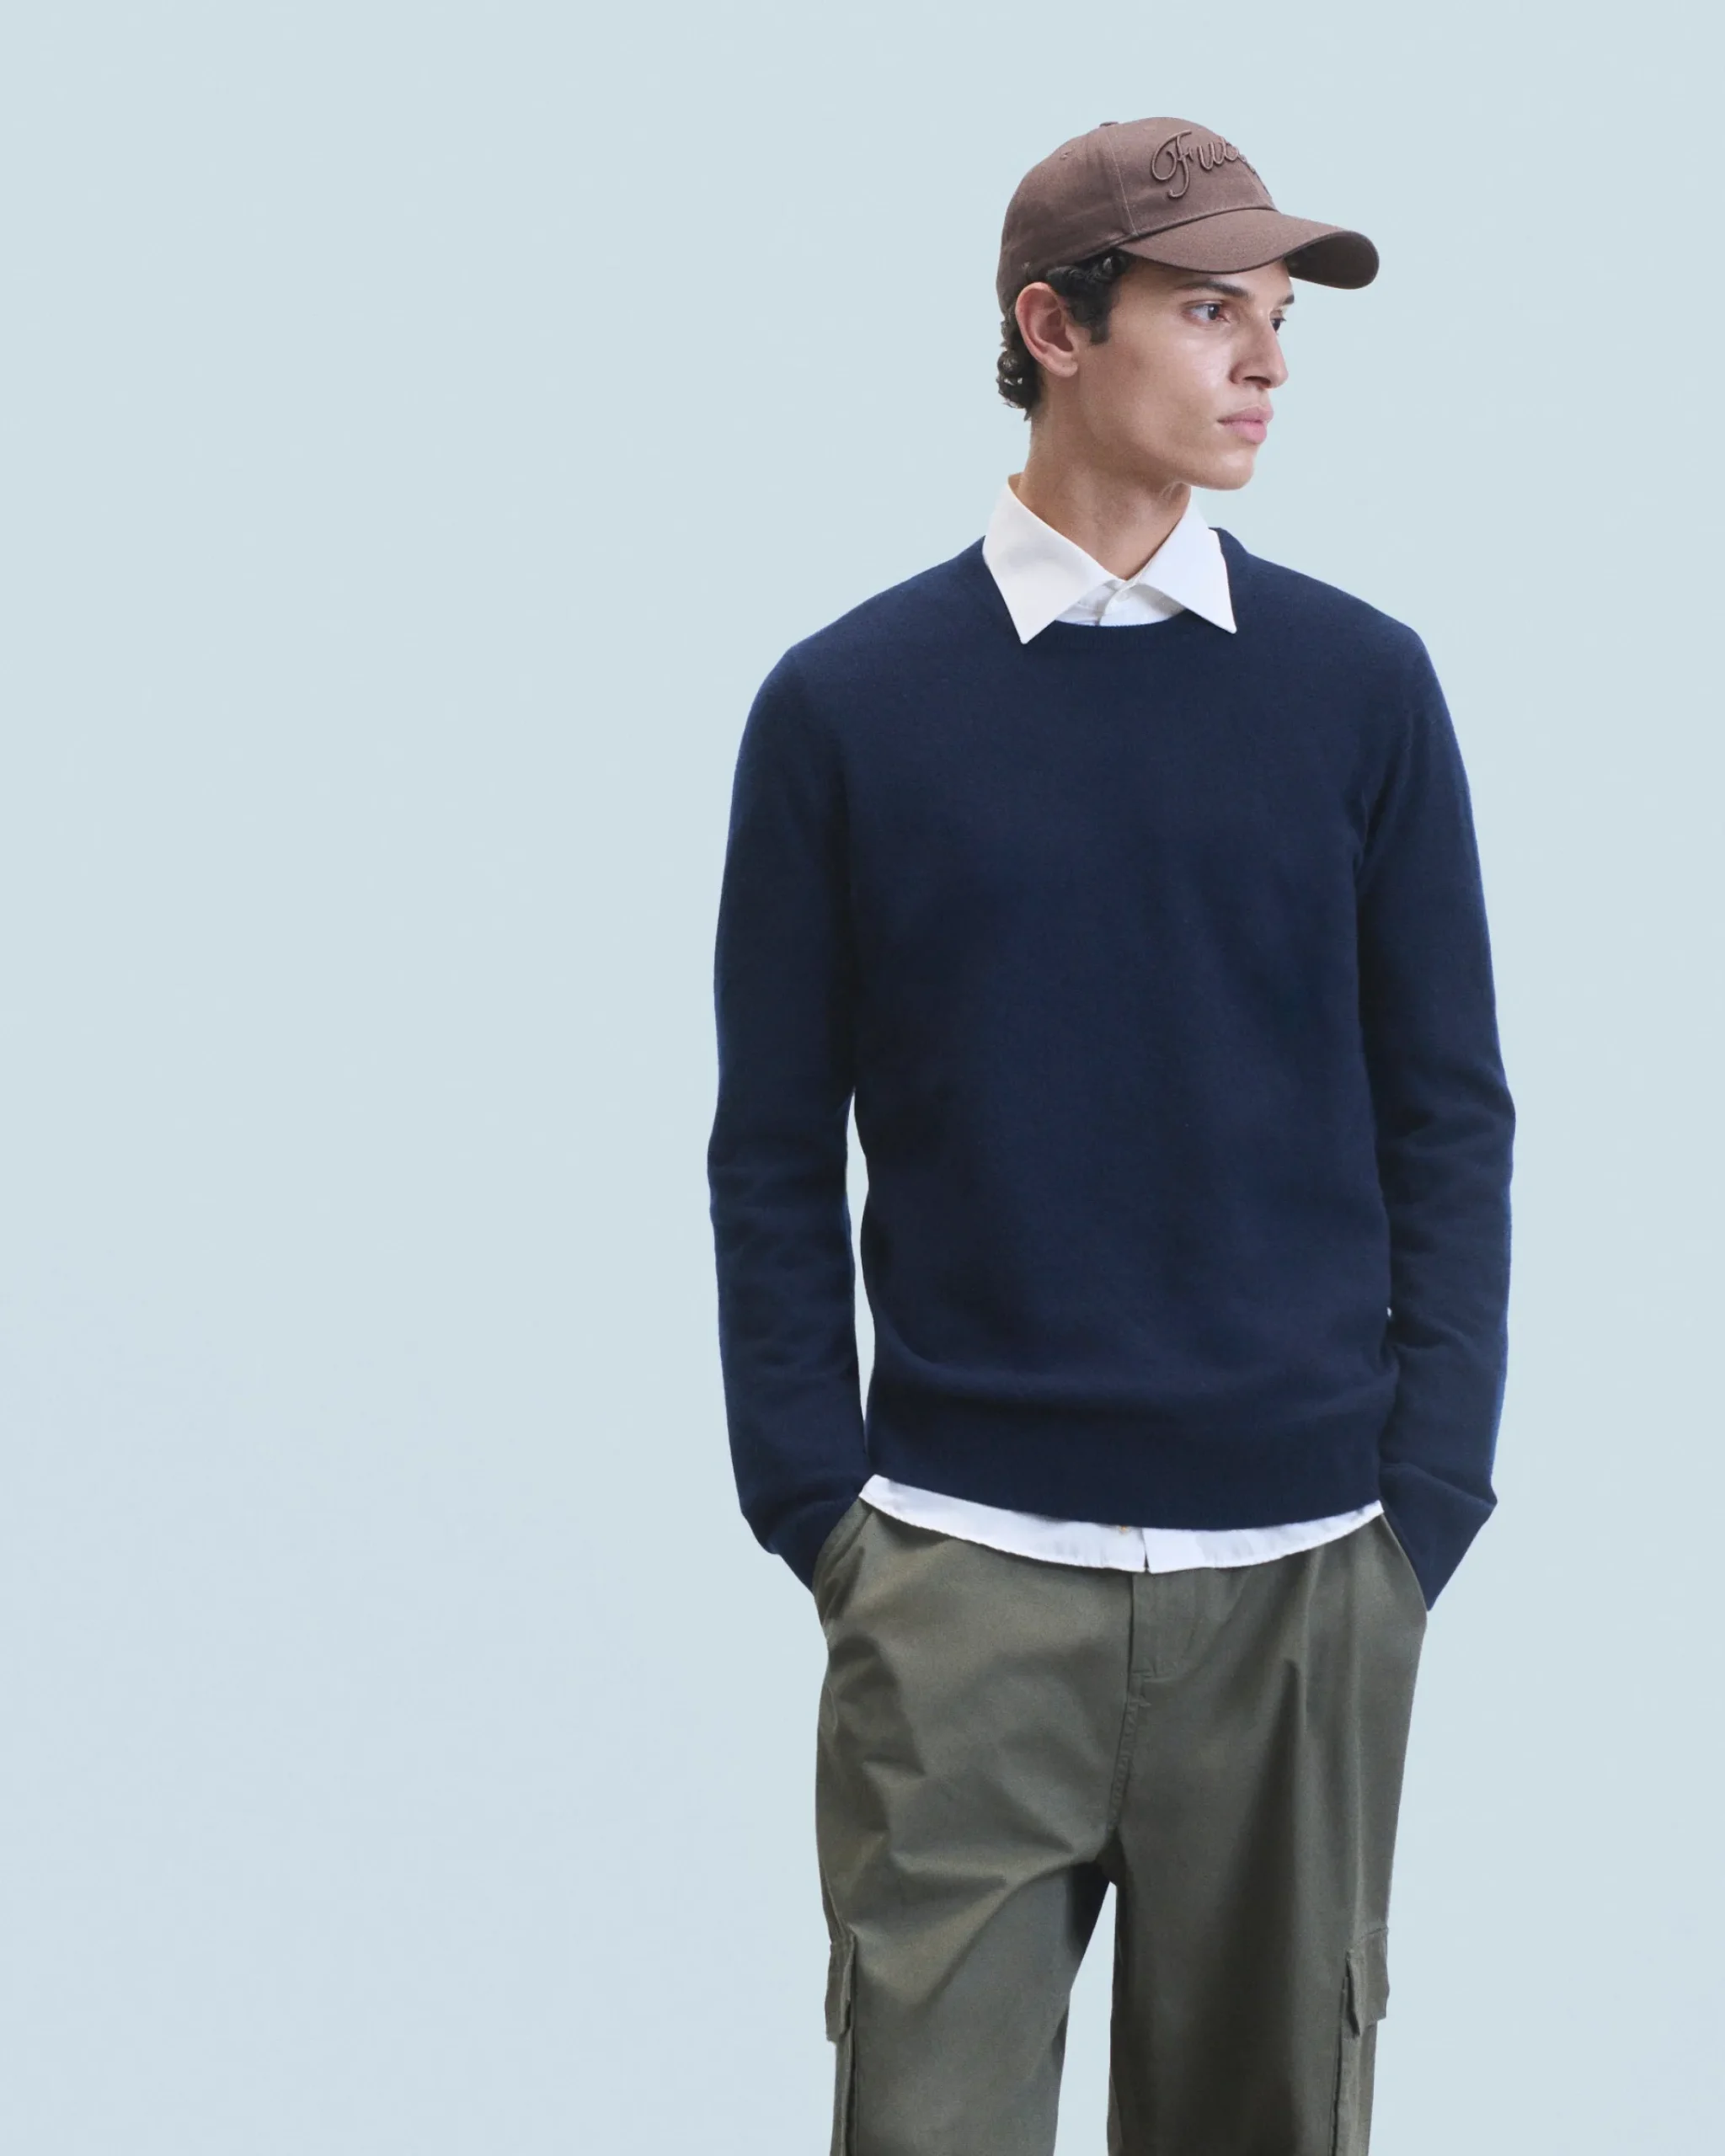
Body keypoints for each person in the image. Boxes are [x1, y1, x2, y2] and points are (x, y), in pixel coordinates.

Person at [706, 114, 1514, 2156]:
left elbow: (1448, 1112)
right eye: (1210, 310)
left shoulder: (1360, 691)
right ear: (1053, 329)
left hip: (1303, 1579)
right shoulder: (847, 706)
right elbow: (771, 1145)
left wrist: (1423, 1498)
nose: (1267, 361)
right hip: (958, 1580)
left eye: (1278, 317)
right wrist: (820, 1508)